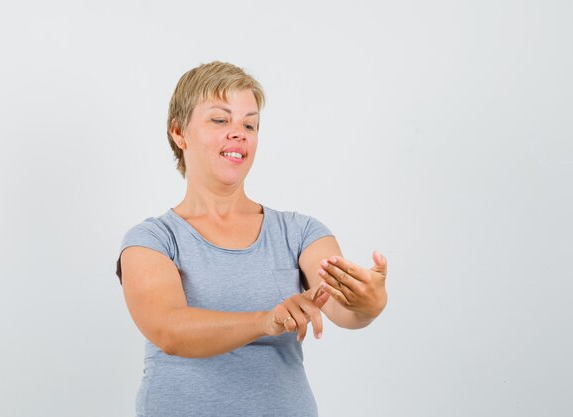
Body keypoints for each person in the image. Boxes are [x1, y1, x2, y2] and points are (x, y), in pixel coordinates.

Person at [115, 61, 388, 417]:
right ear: (179, 132)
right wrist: (266, 320)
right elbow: (169, 330)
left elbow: (342, 308)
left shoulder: (300, 232)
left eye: (249, 124)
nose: (239, 132)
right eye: (220, 119)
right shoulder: (151, 239)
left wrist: (367, 303)